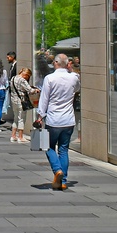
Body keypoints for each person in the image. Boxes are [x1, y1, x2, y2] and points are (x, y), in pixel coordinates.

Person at [36, 53, 81, 190]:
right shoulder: (74, 77)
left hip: (53, 119)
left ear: (55, 63)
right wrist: (71, 70)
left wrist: (40, 116)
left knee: (48, 146)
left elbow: (44, 98)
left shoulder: (49, 78)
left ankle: (57, 171)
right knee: (63, 149)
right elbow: (77, 89)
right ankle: (63, 180)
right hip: (68, 119)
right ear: (67, 64)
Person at [9, 67, 36, 143]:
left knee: (15, 118)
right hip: (21, 101)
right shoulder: (22, 80)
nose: (28, 78)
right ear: (26, 74)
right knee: (22, 118)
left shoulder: (13, 78)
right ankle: (20, 137)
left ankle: (13, 136)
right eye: (28, 76)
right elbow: (30, 90)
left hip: (14, 100)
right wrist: (36, 90)